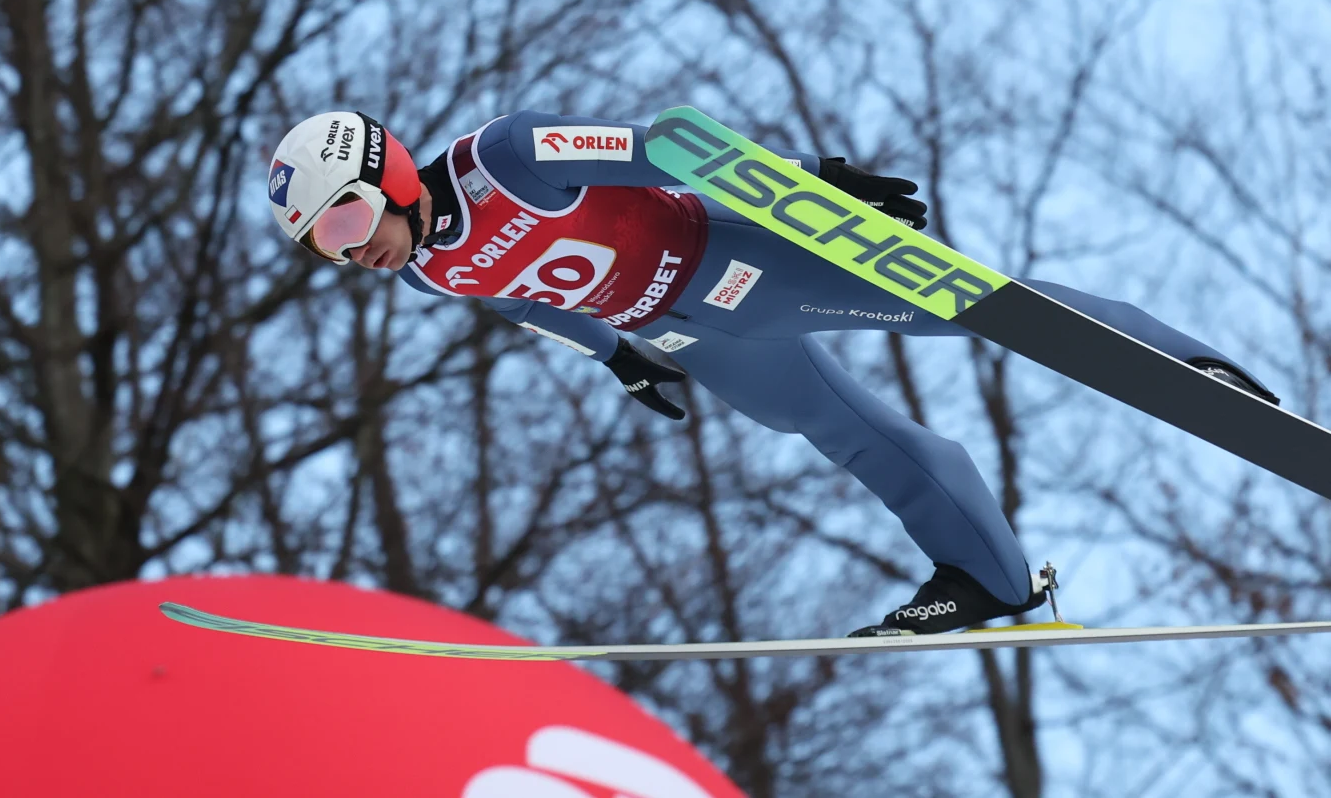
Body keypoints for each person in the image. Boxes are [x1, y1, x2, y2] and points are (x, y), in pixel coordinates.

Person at [267, 110, 1279, 635]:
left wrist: (811, 190)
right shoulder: (431, 269)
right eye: (327, 247)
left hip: (736, 262)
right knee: (842, 429)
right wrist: (621, 358)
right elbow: (531, 298)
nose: (353, 253)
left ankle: (1184, 364)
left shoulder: (506, 158)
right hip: (689, 330)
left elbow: (662, 147)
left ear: (389, 171)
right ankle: (990, 575)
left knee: (966, 304)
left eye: (349, 219)